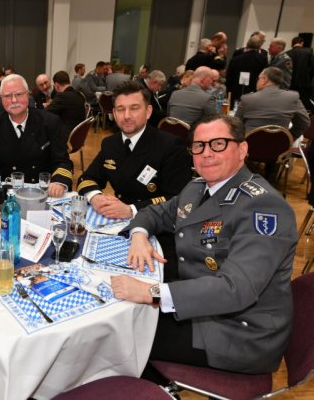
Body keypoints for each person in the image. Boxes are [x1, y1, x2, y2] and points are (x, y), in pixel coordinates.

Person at [111, 114, 296, 377]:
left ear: (242, 149)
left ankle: (152, 389)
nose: (207, 153)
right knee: (125, 314)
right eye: (199, 146)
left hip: (238, 332)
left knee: (122, 335)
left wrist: (151, 292)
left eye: (218, 144)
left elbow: (235, 289)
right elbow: (155, 213)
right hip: (201, 306)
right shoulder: (197, 187)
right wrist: (139, 235)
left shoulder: (263, 207)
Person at [78, 80, 191, 280]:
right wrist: (95, 198)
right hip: (116, 226)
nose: (127, 116)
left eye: (134, 108)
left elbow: (178, 199)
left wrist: (131, 209)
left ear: (148, 111)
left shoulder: (170, 146)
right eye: (121, 109)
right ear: (114, 113)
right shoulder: (110, 144)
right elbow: (87, 178)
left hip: (158, 229)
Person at [0, 74, 73, 197]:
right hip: (8, 194)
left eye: (18, 94)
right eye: (7, 96)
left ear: (28, 94)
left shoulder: (50, 122)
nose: (14, 100)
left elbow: (62, 161)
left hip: (43, 193)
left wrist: (59, 182)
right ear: (1, 99)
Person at [235, 66, 309, 138]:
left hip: (250, 144)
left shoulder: (247, 99)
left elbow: (235, 125)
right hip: (281, 144)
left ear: (264, 79)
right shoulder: (293, 97)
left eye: (258, 79)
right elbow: (304, 122)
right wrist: (290, 136)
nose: (257, 81)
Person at [226, 35, 268, 103]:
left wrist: (228, 91)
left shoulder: (235, 59)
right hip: (254, 92)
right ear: (259, 47)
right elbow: (264, 76)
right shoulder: (263, 59)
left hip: (236, 91)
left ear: (247, 44)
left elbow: (229, 77)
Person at [47, 70, 86, 139]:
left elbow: (46, 113)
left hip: (66, 136)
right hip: (78, 136)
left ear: (56, 85)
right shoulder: (79, 95)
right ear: (69, 82)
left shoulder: (62, 96)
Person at [287, 36, 314, 113]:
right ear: (302, 43)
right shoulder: (308, 52)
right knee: (302, 105)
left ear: (292, 44)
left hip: (290, 83)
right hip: (304, 83)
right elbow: (312, 68)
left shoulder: (287, 53)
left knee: (290, 103)